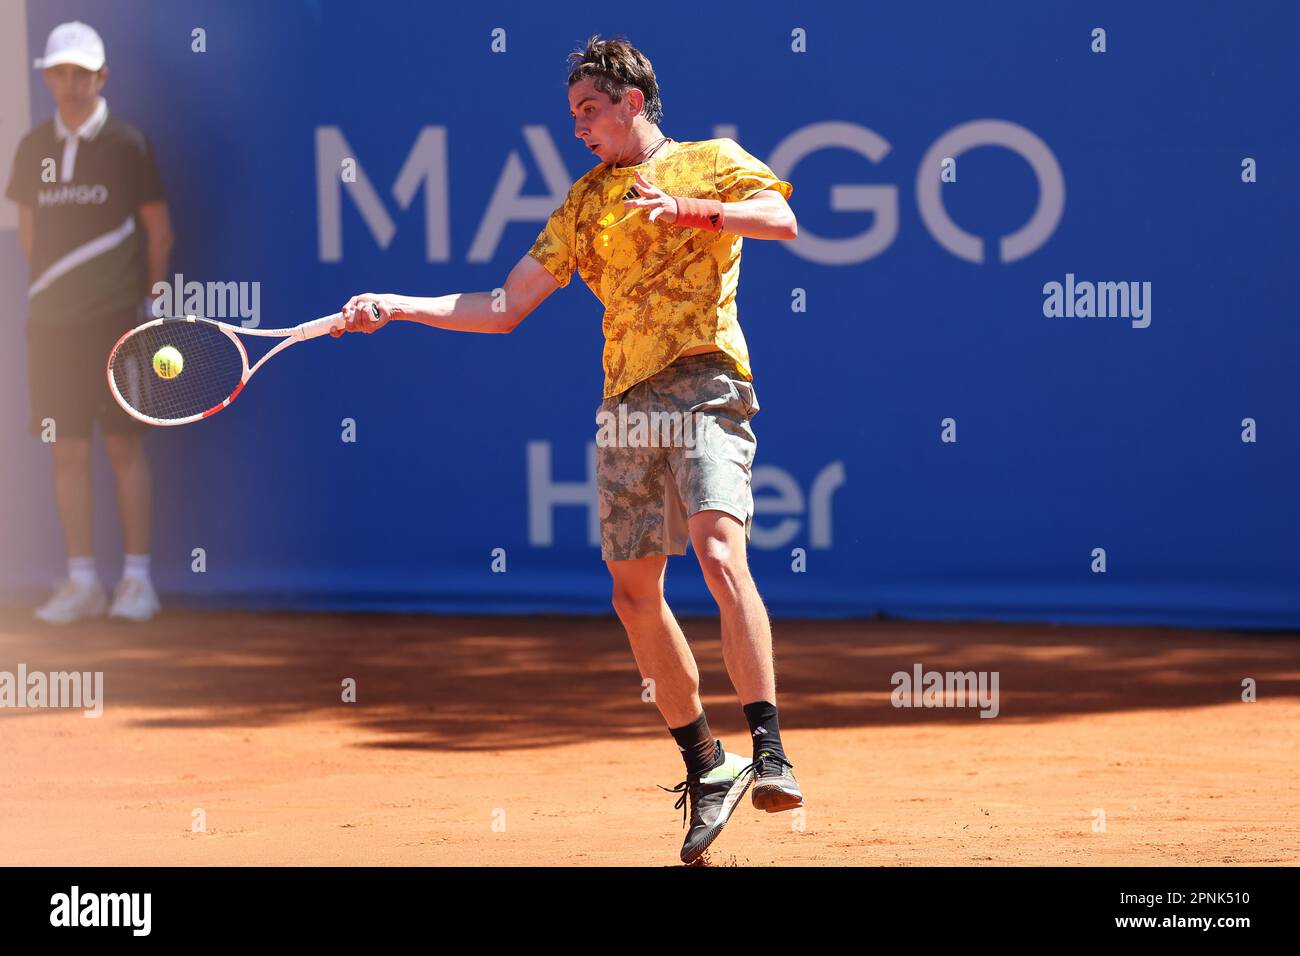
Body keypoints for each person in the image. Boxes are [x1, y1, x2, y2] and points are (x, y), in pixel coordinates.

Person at [334, 34, 799, 865]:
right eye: (573, 115)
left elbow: (783, 219)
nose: (578, 127)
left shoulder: (710, 160)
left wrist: (697, 210)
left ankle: (768, 748)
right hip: (626, 407)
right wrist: (398, 304)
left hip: (705, 383)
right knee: (631, 597)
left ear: (632, 102)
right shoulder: (585, 204)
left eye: (589, 110)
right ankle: (708, 763)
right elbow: (506, 304)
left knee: (720, 553)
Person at [5, 21, 173, 623]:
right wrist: (57, 294)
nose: (70, 85)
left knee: (125, 446)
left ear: (102, 77)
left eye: (81, 74)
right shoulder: (32, 150)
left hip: (116, 324)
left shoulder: (128, 145)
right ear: (47, 78)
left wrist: (148, 305)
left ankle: (136, 581)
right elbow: (30, 234)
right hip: (51, 330)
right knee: (66, 451)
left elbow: (158, 230)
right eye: (59, 74)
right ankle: (81, 582)